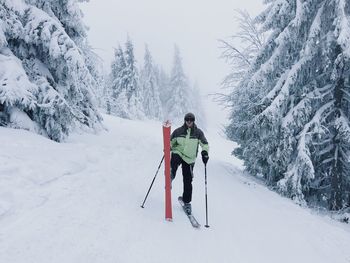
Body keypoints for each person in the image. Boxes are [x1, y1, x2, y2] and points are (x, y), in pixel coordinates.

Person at [170, 112, 209, 214]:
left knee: (188, 180)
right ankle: (171, 174)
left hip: (190, 158)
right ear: (185, 120)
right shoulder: (178, 131)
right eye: (187, 119)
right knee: (175, 157)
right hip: (178, 152)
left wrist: (205, 152)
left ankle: (186, 202)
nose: (189, 121)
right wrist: (168, 146)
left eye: (191, 120)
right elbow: (170, 141)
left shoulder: (198, 133)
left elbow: (205, 144)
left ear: (193, 121)